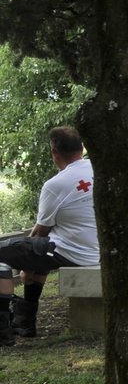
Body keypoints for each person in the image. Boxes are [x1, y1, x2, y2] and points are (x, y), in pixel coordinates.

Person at [0, 127, 99, 345]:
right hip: (98, 251)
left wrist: (27, 267)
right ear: (81, 147)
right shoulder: (99, 168)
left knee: (7, 254)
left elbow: (38, 232)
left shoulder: (56, 184)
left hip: (75, 253)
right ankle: (25, 322)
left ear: (55, 152)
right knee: (46, 246)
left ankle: (3, 330)